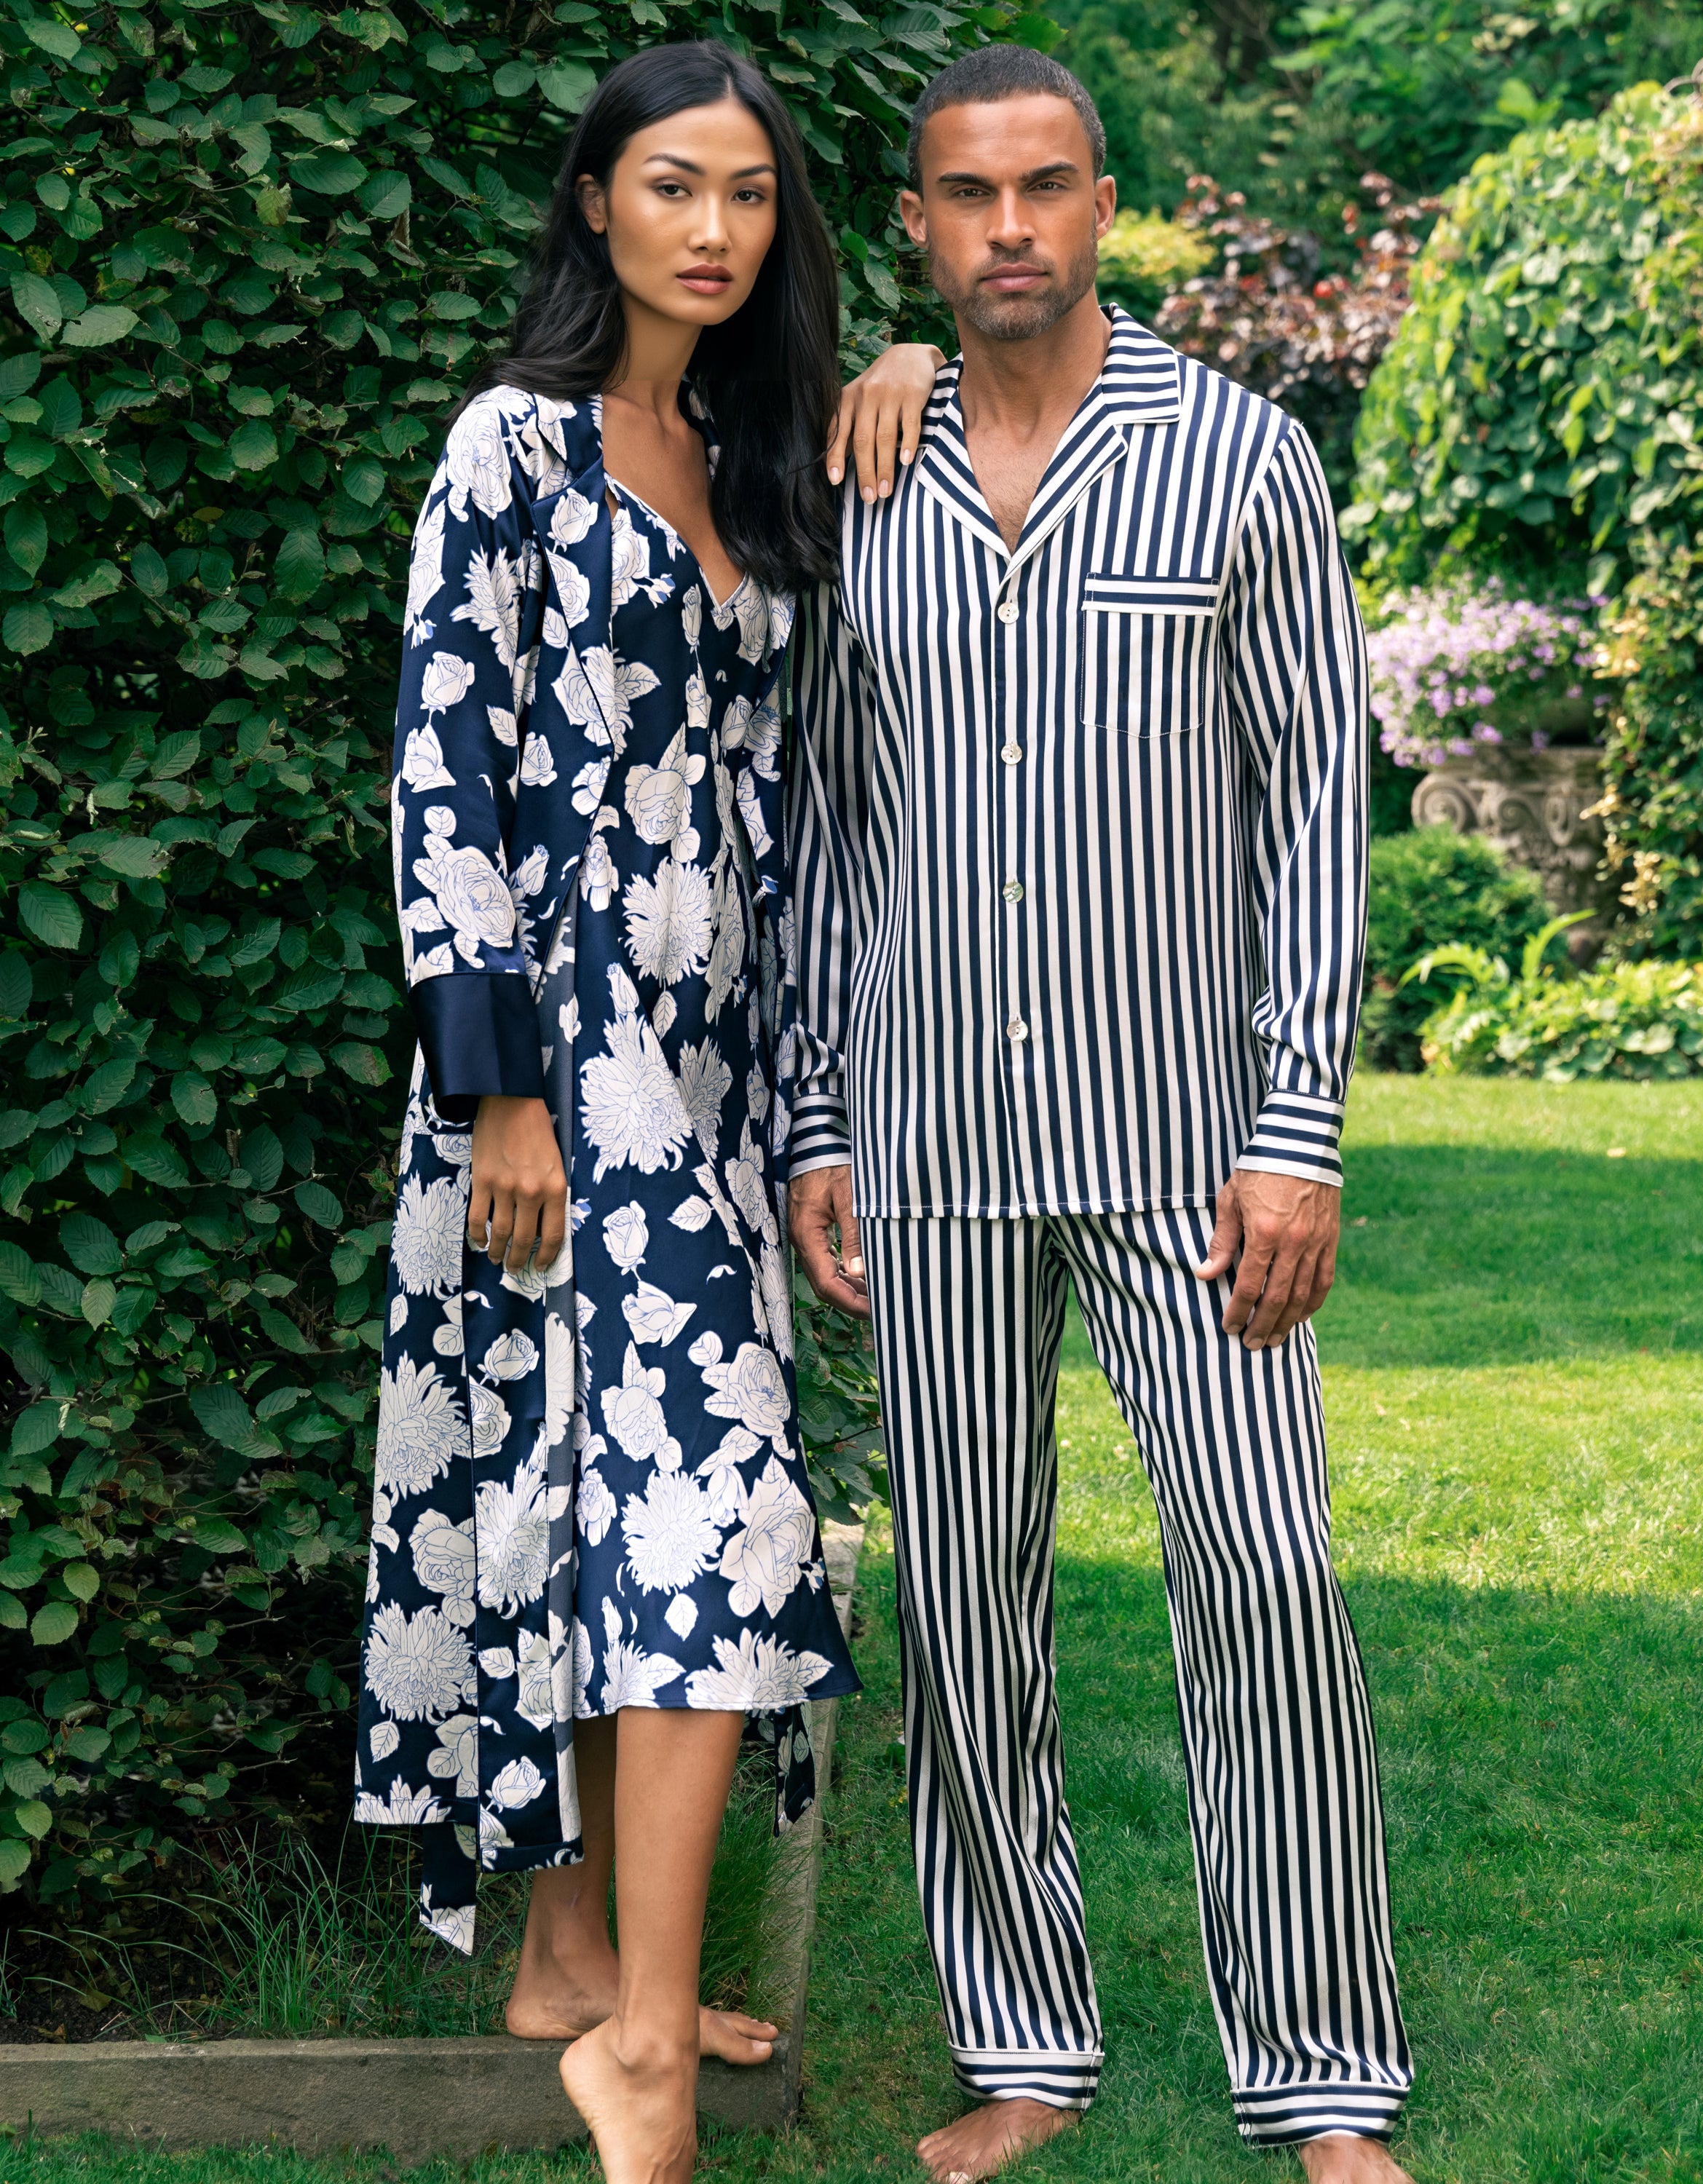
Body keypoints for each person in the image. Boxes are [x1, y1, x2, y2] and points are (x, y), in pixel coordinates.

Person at [789, 44, 1417, 2184]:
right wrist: (813, 1121)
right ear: (917, 226)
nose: (1009, 232)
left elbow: (1320, 818)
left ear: (1106, 198)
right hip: (934, 1140)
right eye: (966, 198)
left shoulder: (1242, 462)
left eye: (1045, 189)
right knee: (968, 1602)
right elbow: (824, 834)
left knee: (1264, 1581)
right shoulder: (862, 467)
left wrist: (1299, 1129)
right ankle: (1026, 2044)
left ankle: (1326, 2082)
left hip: (1186, 1149)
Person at [352, 40, 939, 2183]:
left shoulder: (756, 452)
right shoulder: (506, 449)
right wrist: (495, 1091)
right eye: (673, 185)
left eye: (756, 195)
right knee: (691, 1523)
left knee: (608, 1526)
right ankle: (652, 2064)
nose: (715, 227)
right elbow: (447, 775)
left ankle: (578, 1958)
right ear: (595, 201)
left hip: (701, 1085)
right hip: (545, 1087)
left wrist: (803, 1128)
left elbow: (785, 839)